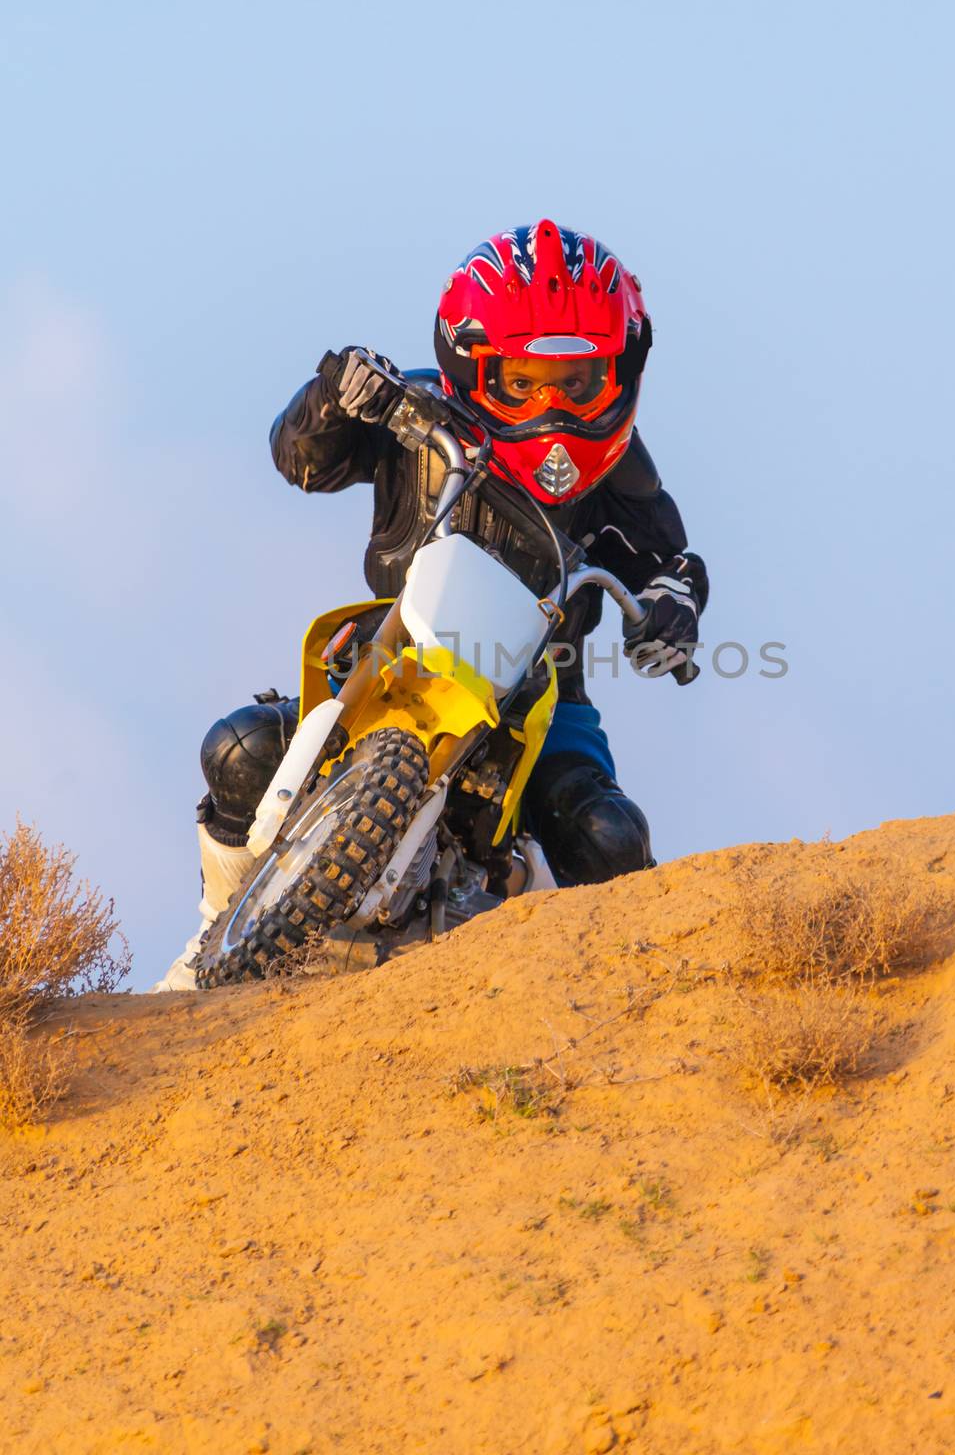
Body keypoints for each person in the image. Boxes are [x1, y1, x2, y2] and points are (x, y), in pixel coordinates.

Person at [153, 220, 708, 990]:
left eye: (575, 382)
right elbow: (300, 459)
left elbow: (668, 567)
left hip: (544, 690)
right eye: (523, 381)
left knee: (609, 836)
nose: (551, 405)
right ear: (470, 364)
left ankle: (633, 996)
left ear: (621, 369)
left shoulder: (624, 482)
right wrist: (336, 396)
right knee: (238, 751)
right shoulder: (413, 411)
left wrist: (673, 612)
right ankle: (221, 923)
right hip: (391, 644)